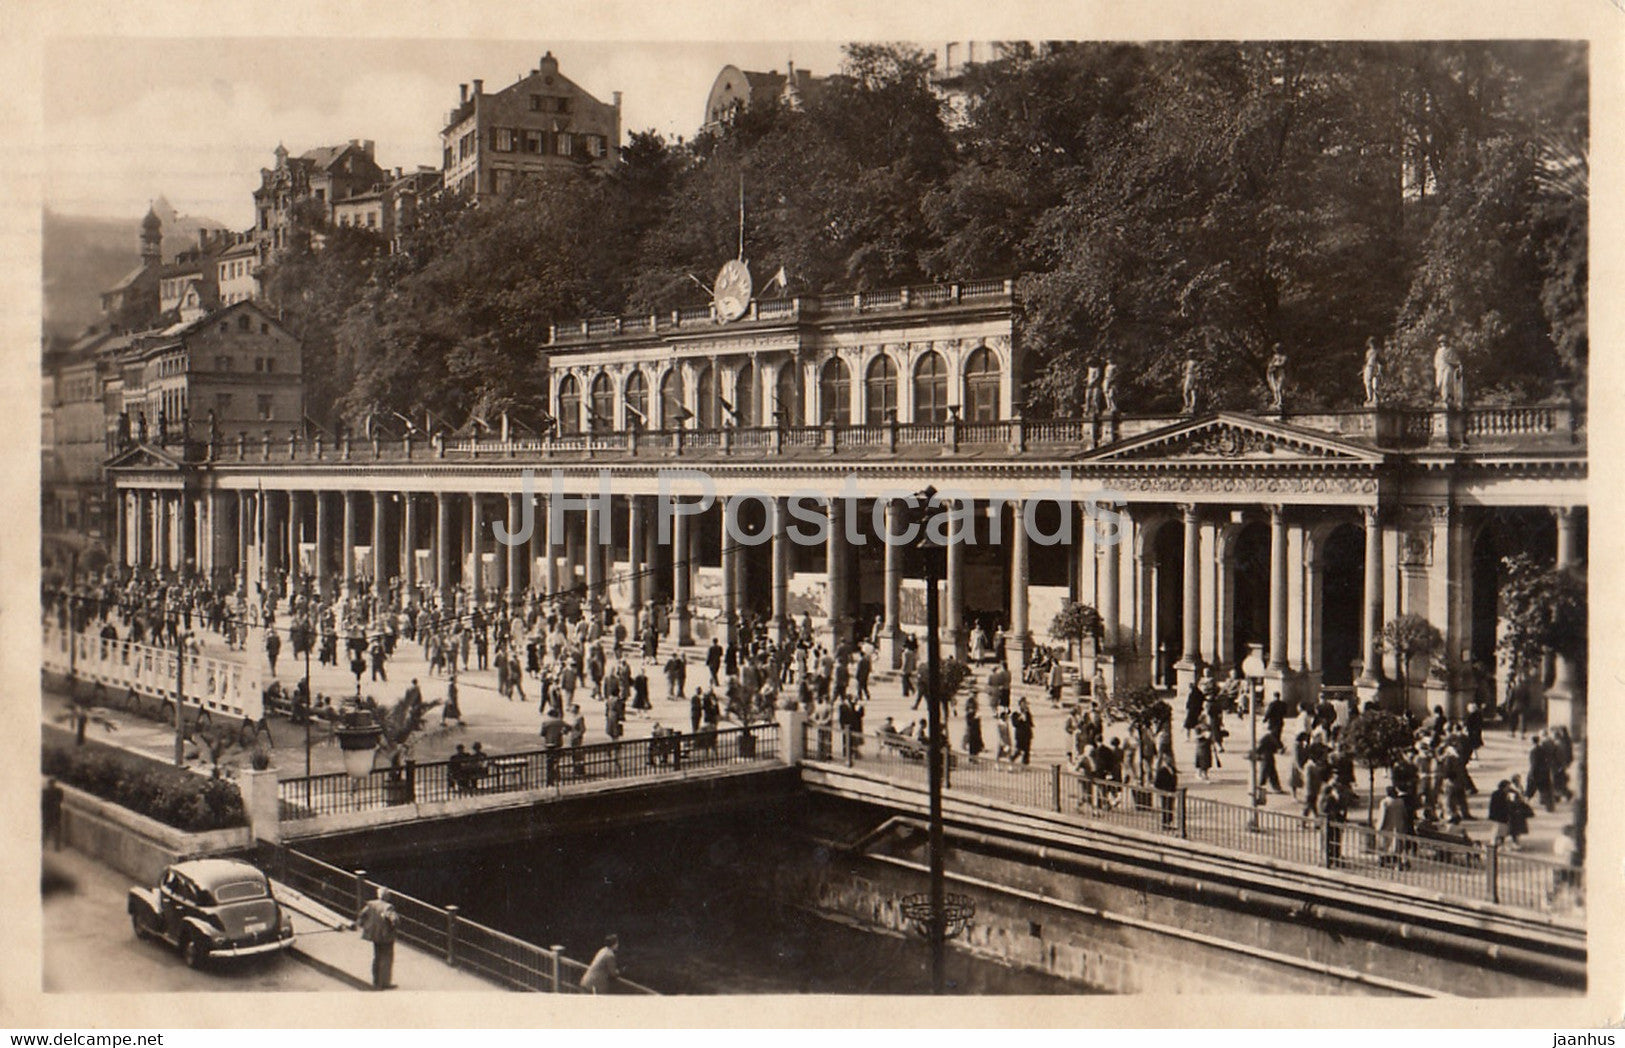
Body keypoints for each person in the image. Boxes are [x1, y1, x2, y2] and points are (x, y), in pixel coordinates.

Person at [356, 888, 398, 990]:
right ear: (387, 896)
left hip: (374, 935)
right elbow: (394, 919)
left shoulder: (371, 904)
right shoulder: (388, 907)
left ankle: (376, 982)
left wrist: (364, 925)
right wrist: (393, 926)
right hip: (385, 936)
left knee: (377, 957)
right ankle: (385, 982)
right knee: (387, 958)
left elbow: (362, 914)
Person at [42, 777, 64, 851]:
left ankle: (43, 844)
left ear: (49, 784)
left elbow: (43, 803)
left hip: (48, 813)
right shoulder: (59, 791)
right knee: (57, 829)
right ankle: (57, 847)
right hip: (56, 812)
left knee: (46, 829)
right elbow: (61, 800)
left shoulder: (45, 792)